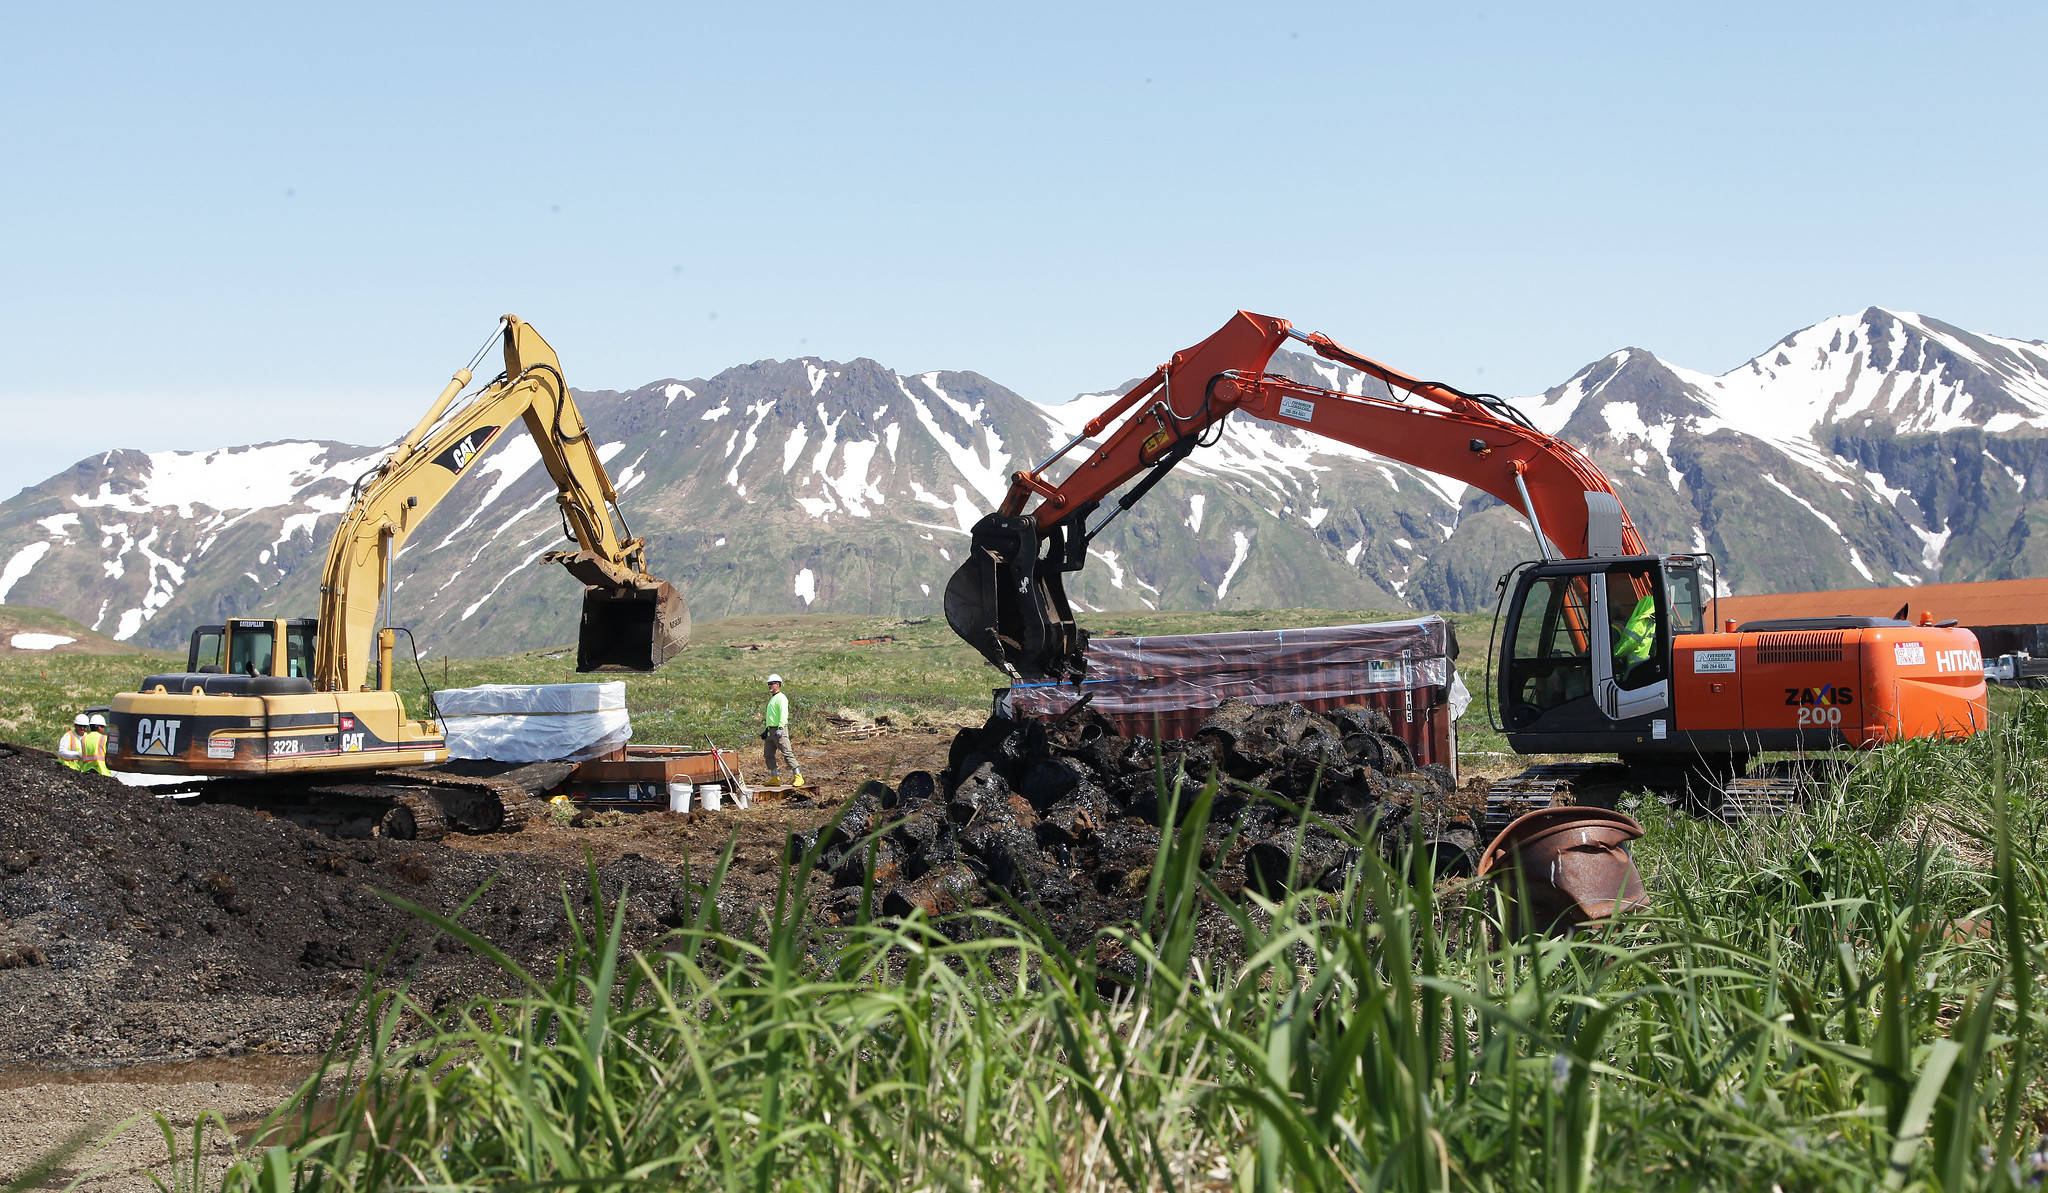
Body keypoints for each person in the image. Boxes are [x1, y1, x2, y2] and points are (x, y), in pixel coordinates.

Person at [761, 674, 804, 787]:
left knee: (787, 753)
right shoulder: (773, 698)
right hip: (771, 730)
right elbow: (772, 716)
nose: (769, 686)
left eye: (771, 684)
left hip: (779, 729)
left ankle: (798, 776)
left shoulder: (781, 698)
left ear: (778, 684)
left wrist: (780, 728)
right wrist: (766, 729)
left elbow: (783, 714)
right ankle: (775, 778)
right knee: (768, 754)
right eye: (768, 684)